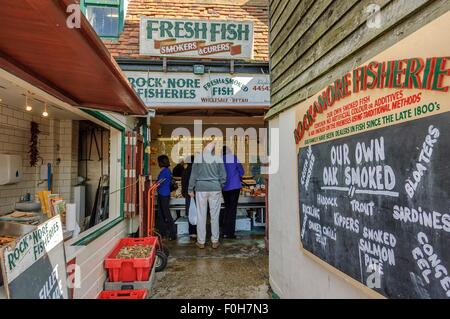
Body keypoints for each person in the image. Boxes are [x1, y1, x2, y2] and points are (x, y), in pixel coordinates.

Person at [188, 142, 226, 249]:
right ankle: (215, 241)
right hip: (215, 188)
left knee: (201, 215)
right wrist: (221, 185)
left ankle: (201, 241)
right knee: (214, 215)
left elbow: (193, 175)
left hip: (201, 189)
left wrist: (190, 188)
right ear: (213, 150)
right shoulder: (218, 159)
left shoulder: (198, 158)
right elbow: (223, 175)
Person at [221, 146, 244, 239]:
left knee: (227, 208)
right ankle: (230, 233)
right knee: (232, 209)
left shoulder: (220, 159)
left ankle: (225, 232)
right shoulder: (234, 157)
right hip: (235, 187)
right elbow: (241, 171)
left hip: (225, 187)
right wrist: (238, 174)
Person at [156, 155, 177, 240]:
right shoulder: (167, 170)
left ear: (162, 162)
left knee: (165, 214)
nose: (158, 163)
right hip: (165, 194)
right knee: (162, 214)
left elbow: (158, 183)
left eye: (159, 161)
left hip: (163, 195)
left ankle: (172, 234)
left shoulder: (164, 171)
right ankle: (163, 233)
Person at [181, 155, 196, 238]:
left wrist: (184, 194)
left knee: (190, 213)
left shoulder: (185, 171)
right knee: (198, 213)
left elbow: (183, 185)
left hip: (188, 195)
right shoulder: (197, 171)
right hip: (197, 194)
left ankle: (192, 232)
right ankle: (199, 231)